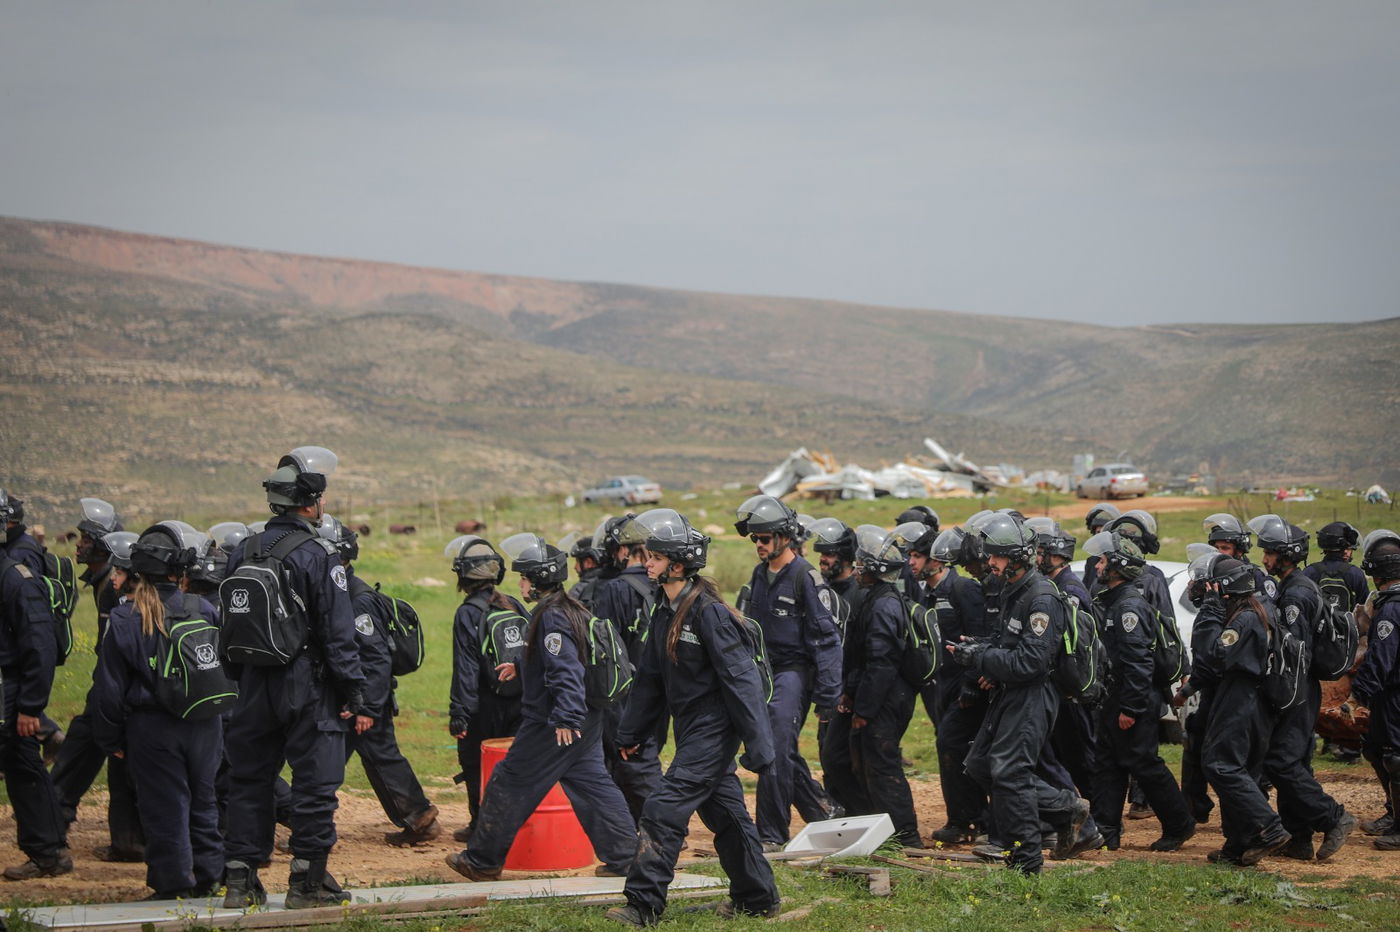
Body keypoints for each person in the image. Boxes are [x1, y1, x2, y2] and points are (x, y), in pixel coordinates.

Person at [606, 509, 779, 926]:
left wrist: (760, 747)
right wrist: (631, 732)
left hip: (715, 728)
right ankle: (757, 898)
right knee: (727, 815)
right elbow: (649, 679)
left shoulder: (710, 613)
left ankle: (642, 904)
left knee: (663, 808)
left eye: (655, 556)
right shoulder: (664, 610)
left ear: (677, 565)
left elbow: (743, 684)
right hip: (691, 728)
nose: (646, 561)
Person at [220, 446, 370, 909]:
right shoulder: (317, 554)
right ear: (311, 502)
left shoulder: (241, 550)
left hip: (251, 683)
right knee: (314, 786)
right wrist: (355, 691)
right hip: (306, 684)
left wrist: (240, 680)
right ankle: (306, 884)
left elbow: (226, 621)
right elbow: (337, 630)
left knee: (248, 782)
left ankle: (240, 883)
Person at [446, 534, 636, 882]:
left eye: (524, 577)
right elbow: (561, 655)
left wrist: (565, 716)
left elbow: (566, 668)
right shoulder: (568, 608)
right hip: (586, 719)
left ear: (537, 579)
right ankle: (626, 857)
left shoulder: (551, 618)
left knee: (508, 782)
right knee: (593, 785)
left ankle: (482, 860)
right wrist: (521, 664)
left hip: (554, 721)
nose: (520, 584)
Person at [91, 522, 224, 899]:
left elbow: (108, 688)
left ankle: (173, 885)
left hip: (153, 728)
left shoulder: (124, 619)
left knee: (165, 808)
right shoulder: (204, 608)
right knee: (204, 801)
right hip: (205, 722)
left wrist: (110, 738)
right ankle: (209, 876)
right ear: (180, 568)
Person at [951, 513, 1086, 875]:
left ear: (1017, 557)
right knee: (981, 765)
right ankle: (1066, 808)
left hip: (1032, 696)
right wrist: (978, 648)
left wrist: (980, 658)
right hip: (1009, 693)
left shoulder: (1041, 598)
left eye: (996, 556)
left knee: (1011, 774)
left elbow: (1031, 663)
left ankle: (1027, 860)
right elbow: (1008, 645)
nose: (990, 563)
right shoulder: (1014, 590)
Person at [320, 515, 440, 847]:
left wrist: (367, 708)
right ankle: (418, 818)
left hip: (363, 700)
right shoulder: (340, 593)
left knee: (335, 762)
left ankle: (311, 827)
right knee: (373, 759)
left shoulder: (357, 601)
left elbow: (376, 659)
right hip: (353, 698)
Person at [733, 495, 843, 850]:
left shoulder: (805, 578)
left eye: (764, 538)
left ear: (784, 537)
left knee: (776, 749)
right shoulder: (759, 574)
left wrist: (828, 696)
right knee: (774, 748)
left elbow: (827, 641)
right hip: (763, 671)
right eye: (755, 539)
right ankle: (824, 812)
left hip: (794, 672)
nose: (759, 545)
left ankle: (770, 834)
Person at [1249, 515, 1355, 861]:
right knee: (1294, 761)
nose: (1264, 560)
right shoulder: (1294, 586)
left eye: (1269, 553)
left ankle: (1334, 817)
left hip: (1296, 689)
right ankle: (1299, 838)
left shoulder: (1296, 594)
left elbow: (1292, 651)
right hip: (1298, 687)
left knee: (1281, 762)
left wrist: (1282, 696)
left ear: (1286, 554)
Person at [1083, 531, 1195, 852]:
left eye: (1103, 561)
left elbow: (1138, 664)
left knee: (1144, 764)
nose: (1098, 566)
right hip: (1114, 698)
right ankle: (1107, 829)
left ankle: (1179, 824)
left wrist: (1130, 709)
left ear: (1116, 567)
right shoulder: (1114, 601)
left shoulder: (1128, 608)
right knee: (1108, 763)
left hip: (1133, 700)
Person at [50, 501, 147, 864]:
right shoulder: (110, 579)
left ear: (104, 545)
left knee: (76, 759)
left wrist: (108, 701)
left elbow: (114, 651)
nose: (77, 544)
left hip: (111, 693)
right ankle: (129, 842)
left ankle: (49, 837)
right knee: (120, 765)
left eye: (86, 538)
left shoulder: (113, 585)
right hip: (117, 693)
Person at [821, 526, 922, 846]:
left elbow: (881, 664)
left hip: (885, 699)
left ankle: (906, 837)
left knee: (881, 764)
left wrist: (864, 709)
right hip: (866, 695)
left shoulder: (885, 605)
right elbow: (860, 657)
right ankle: (867, 824)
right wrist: (850, 695)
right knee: (839, 758)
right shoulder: (871, 598)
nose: (858, 569)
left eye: (863, 565)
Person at [1193, 557, 1290, 865]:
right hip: (1252, 699)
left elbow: (1211, 656)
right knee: (1240, 769)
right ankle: (1238, 845)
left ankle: (1270, 827)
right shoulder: (1257, 611)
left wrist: (1209, 611)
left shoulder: (1245, 619)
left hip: (1241, 697)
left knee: (1221, 765)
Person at [0, 506, 68, 880]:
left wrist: (30, 708)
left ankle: (49, 852)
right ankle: (49, 851)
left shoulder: (15, 577)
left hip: (10, 690)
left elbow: (39, 645)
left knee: (24, 767)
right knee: (22, 766)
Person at [445, 534, 525, 843]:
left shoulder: (467, 613)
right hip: (520, 698)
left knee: (476, 763)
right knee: (515, 763)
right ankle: (516, 822)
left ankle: (480, 824)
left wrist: (460, 713)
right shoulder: (513, 603)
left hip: (485, 703)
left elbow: (465, 668)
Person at [591, 515, 663, 822]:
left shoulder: (614, 590)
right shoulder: (666, 584)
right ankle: (638, 824)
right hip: (664, 690)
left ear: (623, 550)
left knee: (633, 760)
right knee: (644, 755)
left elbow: (604, 650)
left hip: (626, 692)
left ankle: (662, 826)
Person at [1352, 529, 1400, 848]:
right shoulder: (1387, 602)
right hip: (1389, 692)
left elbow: (1381, 656)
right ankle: (1394, 812)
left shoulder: (1392, 608)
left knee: (1396, 757)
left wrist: (1358, 693)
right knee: (1374, 748)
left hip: (1394, 693)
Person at [1204, 513, 1276, 601]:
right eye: (1216, 547)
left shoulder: (1256, 577)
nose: (1218, 552)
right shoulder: (1209, 575)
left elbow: (1266, 609)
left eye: (1225, 548)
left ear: (1239, 551)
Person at [1304, 522, 1371, 614]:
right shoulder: (1355, 574)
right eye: (1349, 548)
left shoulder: (1309, 572)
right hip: (1349, 628)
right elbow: (1365, 611)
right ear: (1345, 549)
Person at [562, 528, 607, 610]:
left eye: (578, 561)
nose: (575, 567)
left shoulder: (579, 590)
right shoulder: (614, 583)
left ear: (589, 562)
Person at [1080, 503, 1121, 592]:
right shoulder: (1092, 562)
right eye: (1098, 532)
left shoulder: (1122, 562)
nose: (1100, 537)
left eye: (1104, 533)